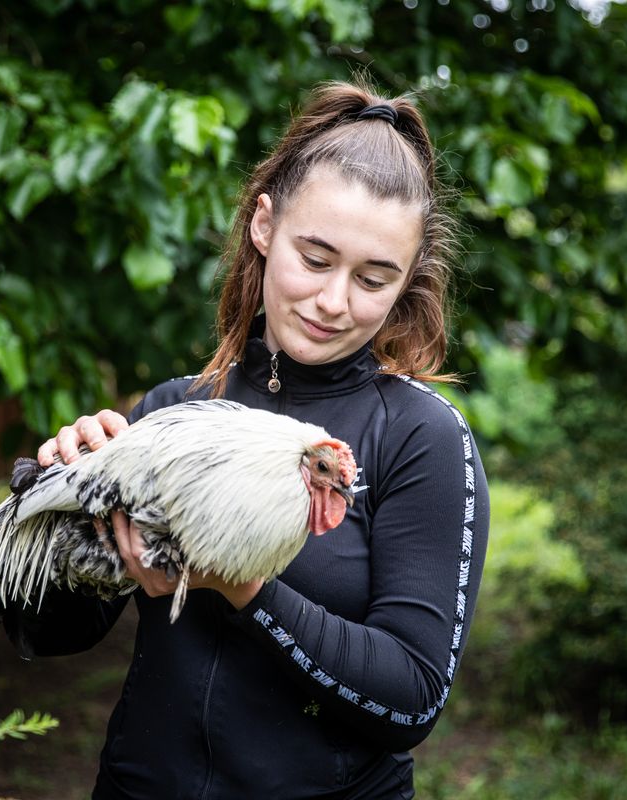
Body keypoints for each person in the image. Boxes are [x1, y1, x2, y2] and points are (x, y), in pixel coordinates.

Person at [28, 79, 489, 799]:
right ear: (265, 226)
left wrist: (242, 587)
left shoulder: (421, 437)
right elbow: (55, 636)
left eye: (374, 278)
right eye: (315, 258)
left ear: (408, 283)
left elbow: (411, 698)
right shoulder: (177, 410)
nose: (335, 302)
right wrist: (59, 499)